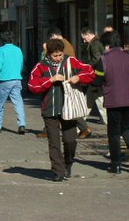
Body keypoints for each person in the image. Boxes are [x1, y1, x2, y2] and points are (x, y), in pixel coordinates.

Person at [28, 39, 95, 181]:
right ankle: (58, 171)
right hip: (49, 109)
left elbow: (90, 71)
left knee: (70, 141)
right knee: (54, 143)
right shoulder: (41, 66)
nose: (58, 58)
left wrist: (78, 77)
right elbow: (32, 85)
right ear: (49, 54)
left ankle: (68, 163)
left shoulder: (71, 61)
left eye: (60, 55)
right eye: (55, 56)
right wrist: (50, 80)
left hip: (69, 109)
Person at [92, 30, 129, 174]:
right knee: (127, 128)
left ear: (107, 45)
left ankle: (116, 164)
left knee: (114, 133)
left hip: (114, 100)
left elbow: (97, 81)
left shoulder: (104, 60)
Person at [36, 27, 76, 138]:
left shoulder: (60, 46)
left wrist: (45, 49)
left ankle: (82, 127)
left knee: (62, 103)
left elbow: (51, 60)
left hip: (62, 78)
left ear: (54, 36)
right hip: (65, 77)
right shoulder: (67, 43)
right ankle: (48, 129)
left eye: (51, 38)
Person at [0, 31, 27, 134]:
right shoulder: (18, 50)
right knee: (18, 102)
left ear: (2, 40)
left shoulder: (1, 50)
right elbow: (21, 65)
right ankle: (21, 124)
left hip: (5, 80)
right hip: (17, 79)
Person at [76, 27, 107, 139]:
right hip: (97, 77)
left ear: (89, 35)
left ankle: (80, 127)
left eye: (84, 38)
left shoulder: (94, 44)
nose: (84, 41)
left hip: (95, 77)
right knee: (91, 102)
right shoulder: (98, 42)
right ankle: (80, 127)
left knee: (98, 103)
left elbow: (97, 59)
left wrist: (87, 66)